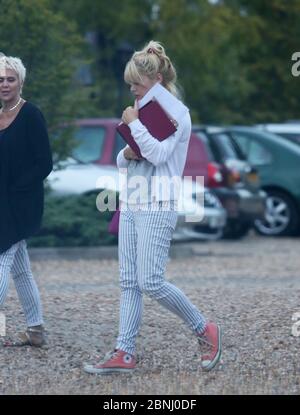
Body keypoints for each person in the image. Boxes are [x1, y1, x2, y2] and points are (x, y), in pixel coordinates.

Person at [84, 41, 222, 374]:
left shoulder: (176, 112)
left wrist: (133, 126)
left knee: (151, 281)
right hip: (132, 199)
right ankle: (124, 352)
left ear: (157, 79)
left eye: (138, 83)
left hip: (159, 202)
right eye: (130, 83)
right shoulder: (140, 111)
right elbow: (127, 159)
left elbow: (159, 156)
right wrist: (127, 150)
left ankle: (205, 330)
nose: (132, 88)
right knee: (129, 282)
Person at [0, 54, 53, 347]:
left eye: (10, 79)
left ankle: (33, 330)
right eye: (0, 80)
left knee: (3, 258)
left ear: (21, 82)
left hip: (20, 205)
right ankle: (35, 330)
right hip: (1, 203)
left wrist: (16, 189)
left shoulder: (31, 114)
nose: (5, 84)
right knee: (21, 271)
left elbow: (44, 163)